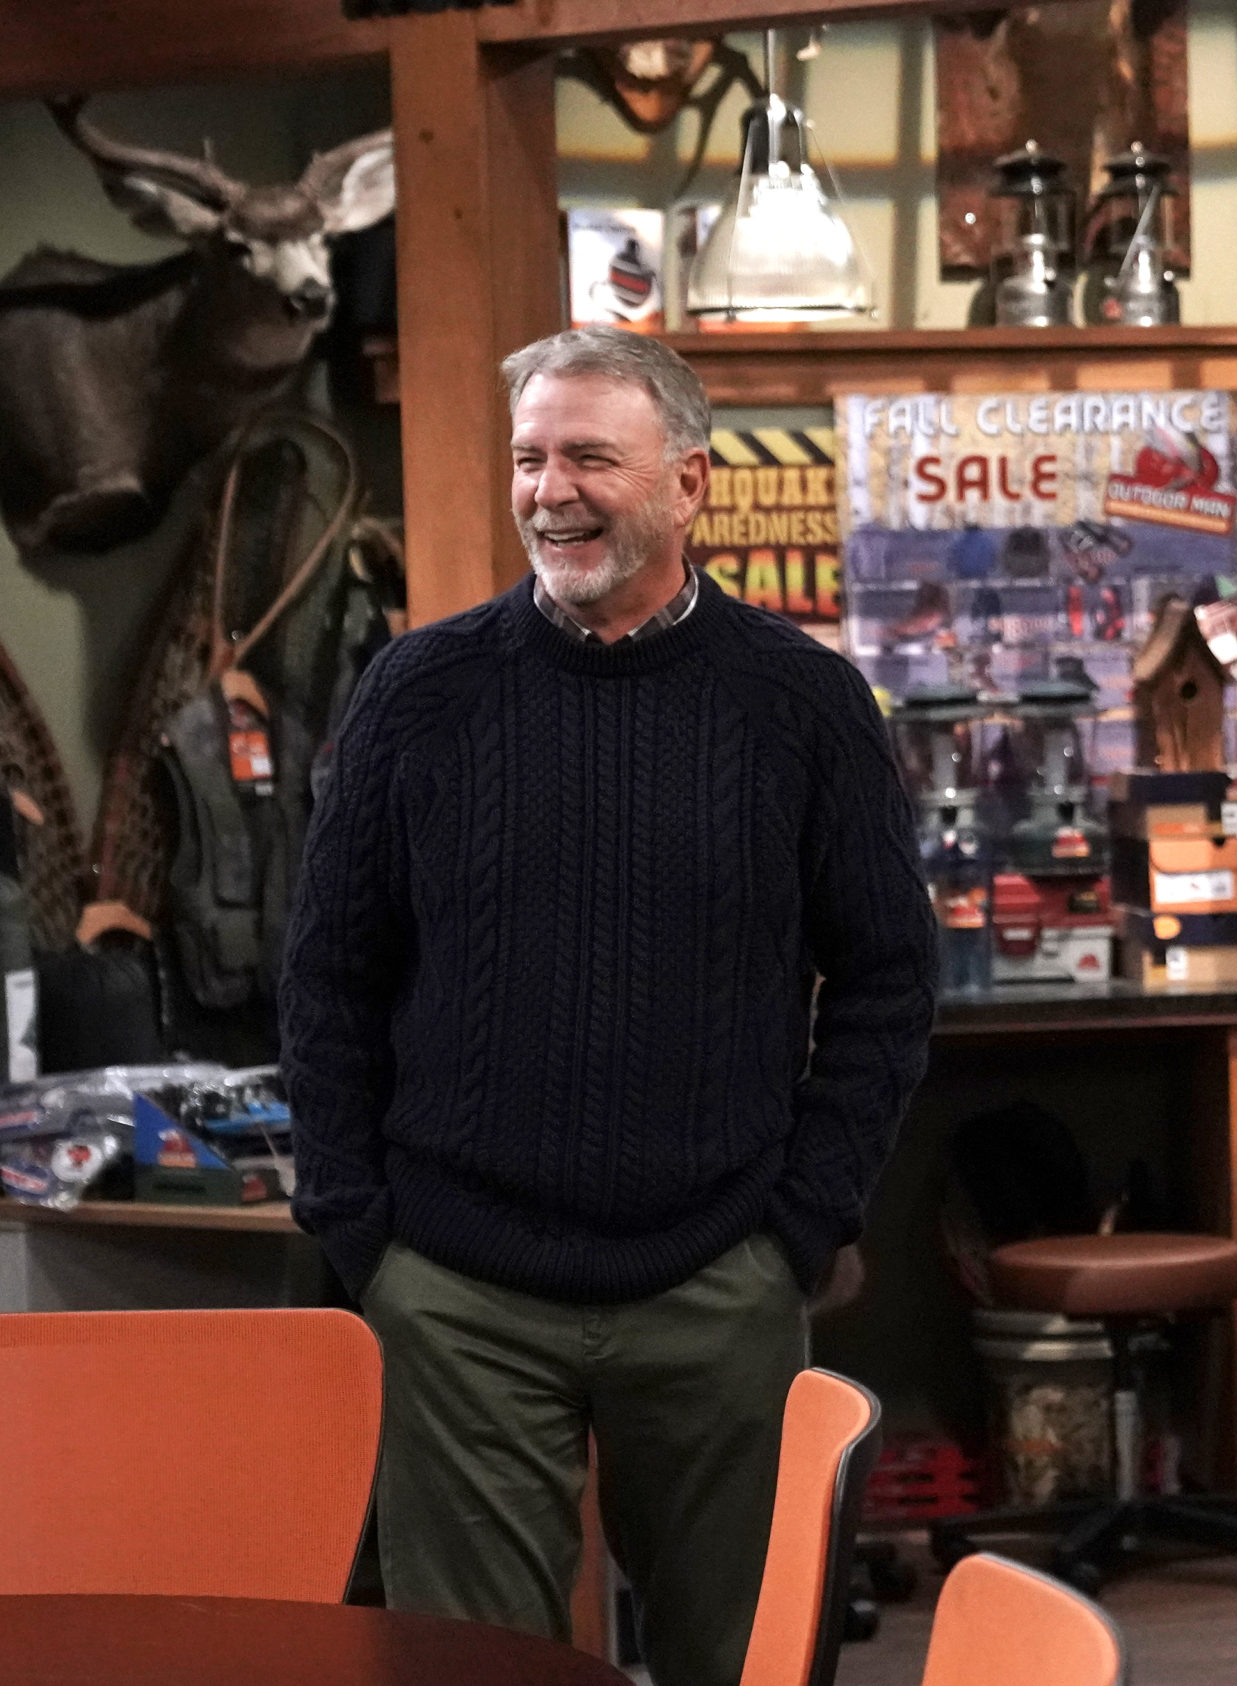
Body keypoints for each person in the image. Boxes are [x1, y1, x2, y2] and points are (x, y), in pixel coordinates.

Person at [283, 327, 937, 1686]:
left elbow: (886, 975)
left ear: (689, 482)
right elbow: (329, 976)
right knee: (473, 1670)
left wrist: (802, 1222)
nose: (551, 490)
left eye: (589, 456)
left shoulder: (804, 702)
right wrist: (362, 1236)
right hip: (454, 1290)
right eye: (530, 458)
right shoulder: (416, 692)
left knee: (744, 1663)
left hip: (718, 1275)